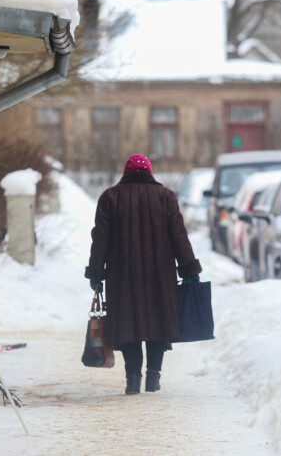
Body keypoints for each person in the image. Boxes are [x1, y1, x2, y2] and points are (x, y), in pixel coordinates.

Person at [84, 154, 202, 395]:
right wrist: (188, 268)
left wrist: (97, 272)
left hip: (122, 275)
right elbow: (179, 235)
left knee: (129, 326)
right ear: (149, 172)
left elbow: (100, 239)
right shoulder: (165, 196)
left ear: (125, 173)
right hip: (160, 273)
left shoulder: (110, 197)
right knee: (157, 324)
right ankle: (153, 376)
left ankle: (133, 379)